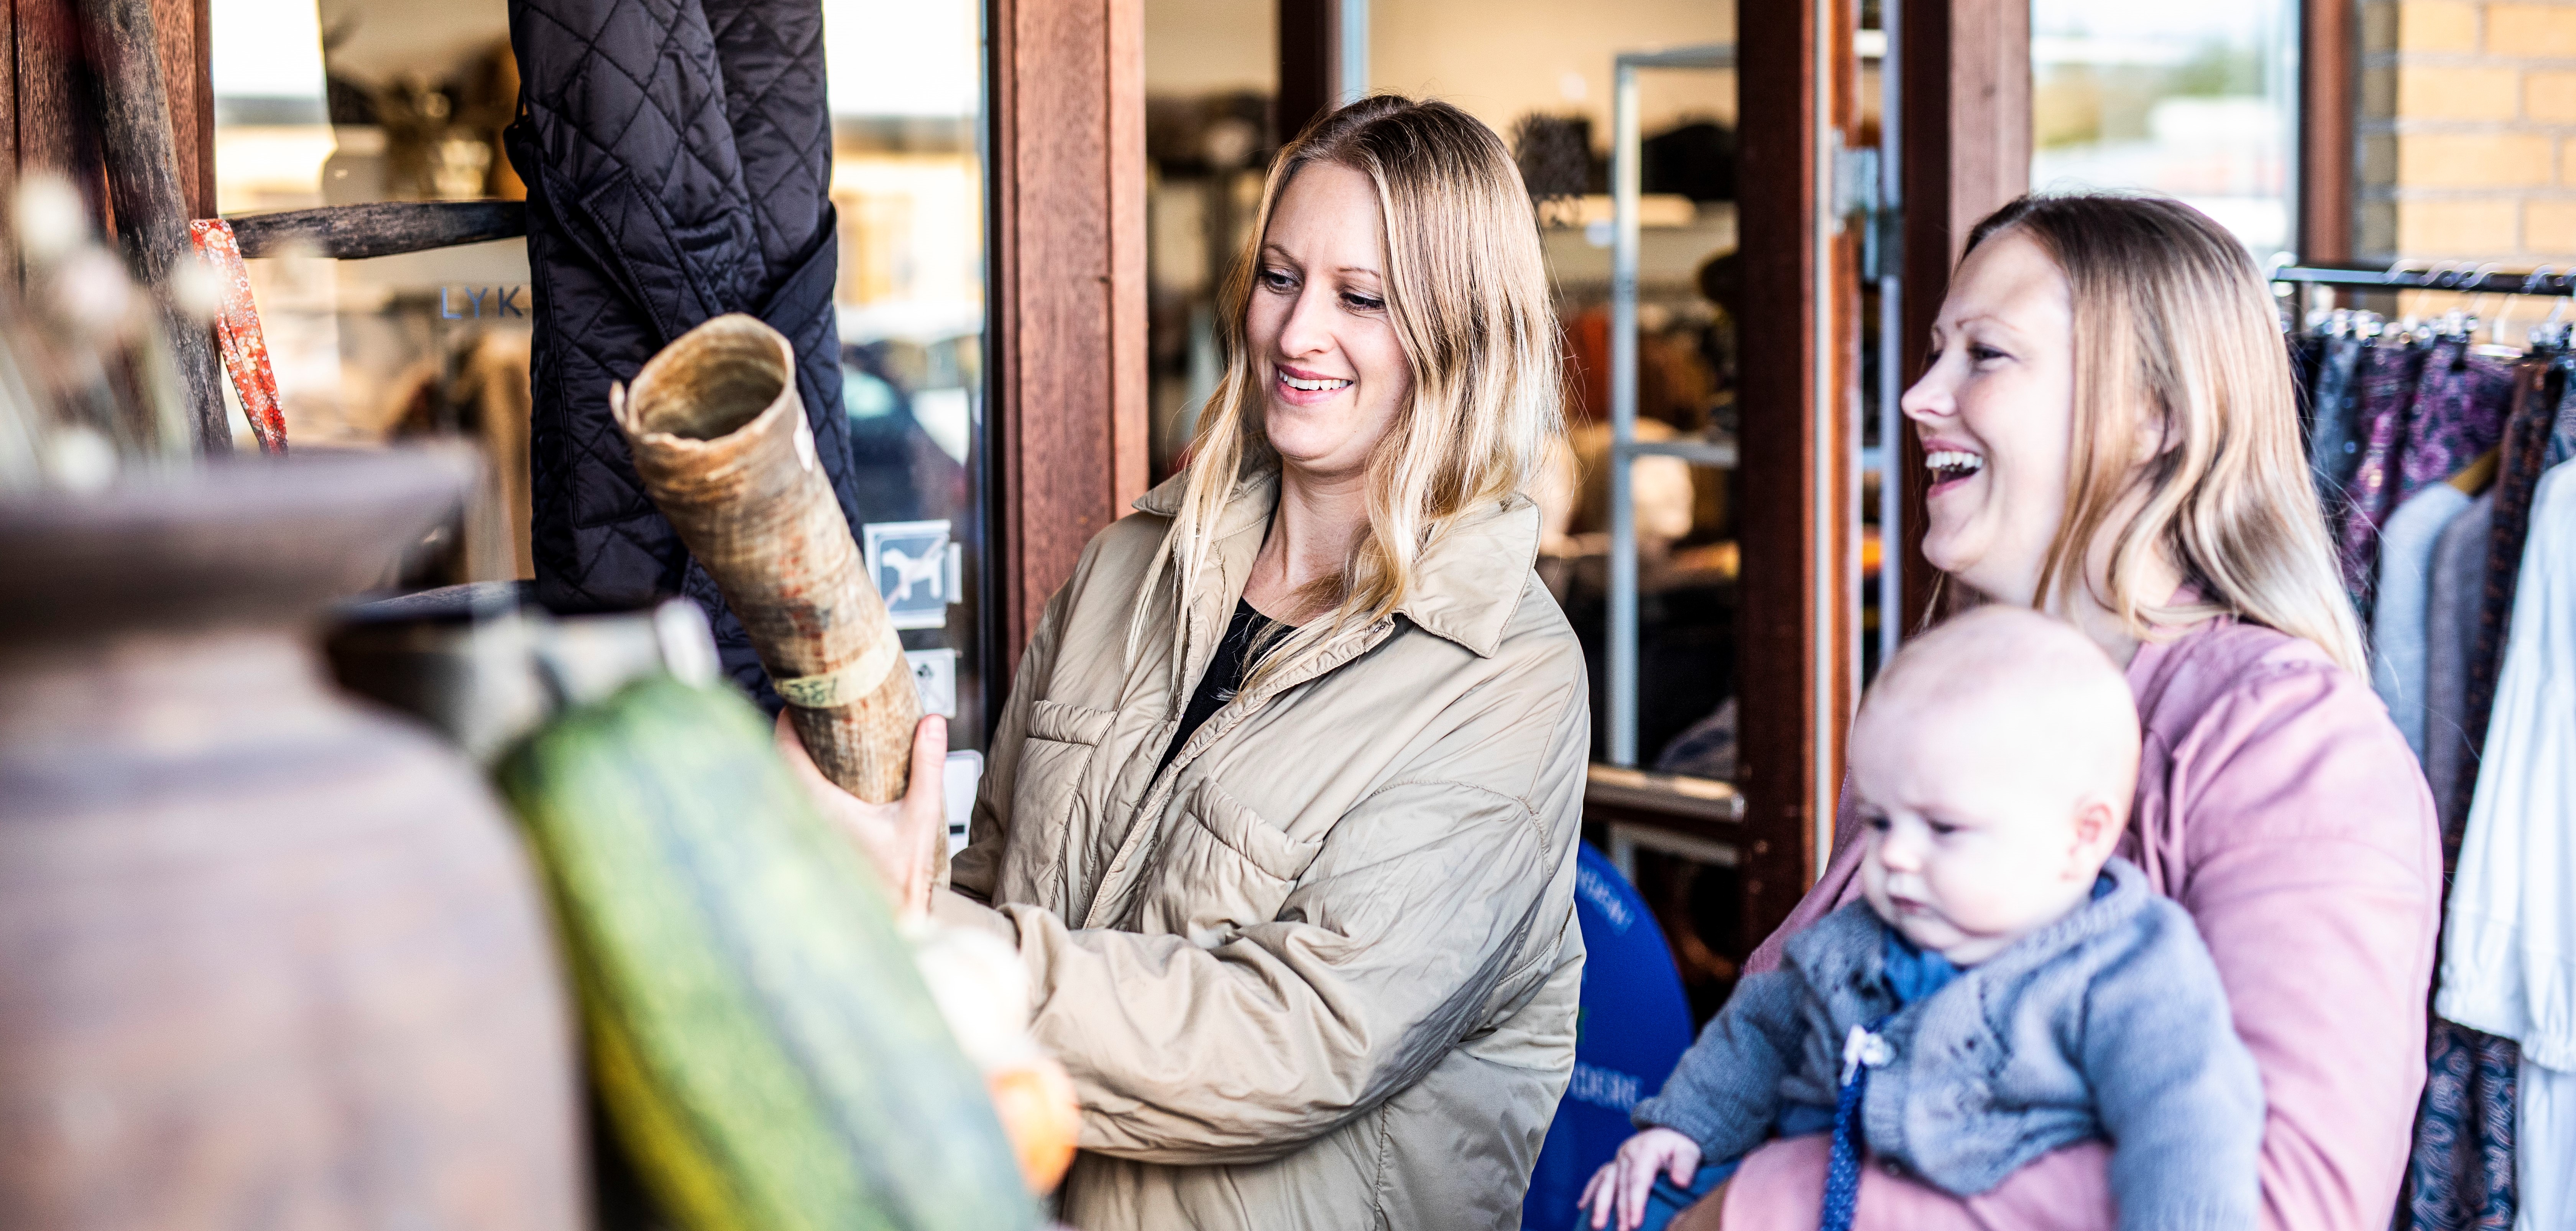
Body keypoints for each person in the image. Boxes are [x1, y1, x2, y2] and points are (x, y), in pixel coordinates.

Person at [783, 94, 1592, 1231]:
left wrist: (920, 932)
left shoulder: (1507, 677)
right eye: (1280, 278)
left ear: (1462, 334)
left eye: (1361, 298)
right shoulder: (1127, 564)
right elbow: (997, 876)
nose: (1298, 332)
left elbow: (1296, 1039)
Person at [1674, 194, 2440, 1231]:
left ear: (2156, 413)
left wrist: (1769, 1203)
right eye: (1936, 352)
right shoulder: (1961, 704)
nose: (1919, 396)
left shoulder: (2291, 747)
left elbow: (2279, 1202)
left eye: (1985, 354)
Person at [1582, 607, 2262, 1231]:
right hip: (1814, 1175)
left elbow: (2187, 1126)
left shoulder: (2128, 970)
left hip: (1964, 1203)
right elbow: (1760, 1030)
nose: (1896, 856)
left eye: (1943, 828)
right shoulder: (1856, 940)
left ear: (2082, 837)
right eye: (1881, 821)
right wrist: (1685, 1127)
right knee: (1626, 1206)